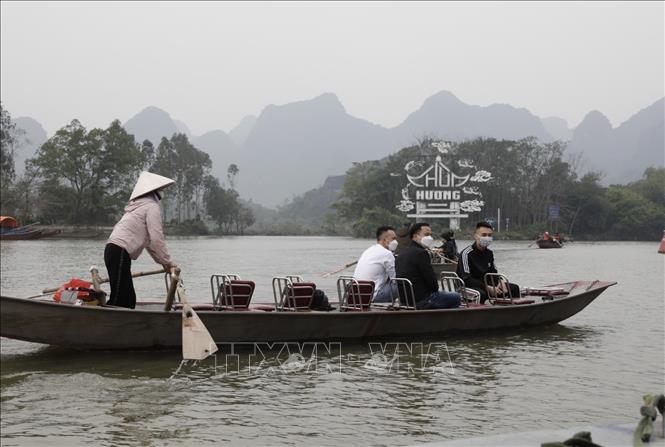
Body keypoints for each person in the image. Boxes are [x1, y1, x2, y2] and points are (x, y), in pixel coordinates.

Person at [104, 171, 178, 309]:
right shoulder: (151, 207)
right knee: (121, 298)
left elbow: (149, 243)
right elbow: (157, 238)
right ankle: (110, 324)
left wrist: (163, 263)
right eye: (160, 191)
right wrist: (168, 261)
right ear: (154, 192)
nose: (162, 193)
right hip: (119, 251)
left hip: (113, 250)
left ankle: (119, 325)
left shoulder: (137, 207)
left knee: (126, 298)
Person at [395, 222, 460, 309]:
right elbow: (433, 283)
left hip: (404, 300)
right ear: (415, 236)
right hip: (421, 300)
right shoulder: (421, 253)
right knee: (456, 297)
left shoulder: (402, 252)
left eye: (430, 234)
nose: (430, 237)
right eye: (426, 234)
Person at [457, 221, 520, 304]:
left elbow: (494, 273)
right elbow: (466, 279)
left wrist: (500, 282)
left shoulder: (489, 253)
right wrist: (488, 288)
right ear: (476, 236)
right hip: (468, 286)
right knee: (481, 294)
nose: (487, 237)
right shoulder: (466, 253)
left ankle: (511, 312)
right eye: (484, 235)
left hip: (487, 285)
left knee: (514, 288)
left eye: (489, 235)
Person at [353, 226, 398, 303]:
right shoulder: (387, 253)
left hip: (357, 296)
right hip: (373, 296)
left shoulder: (368, 250)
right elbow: (395, 278)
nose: (396, 242)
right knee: (403, 284)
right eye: (393, 239)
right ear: (384, 240)